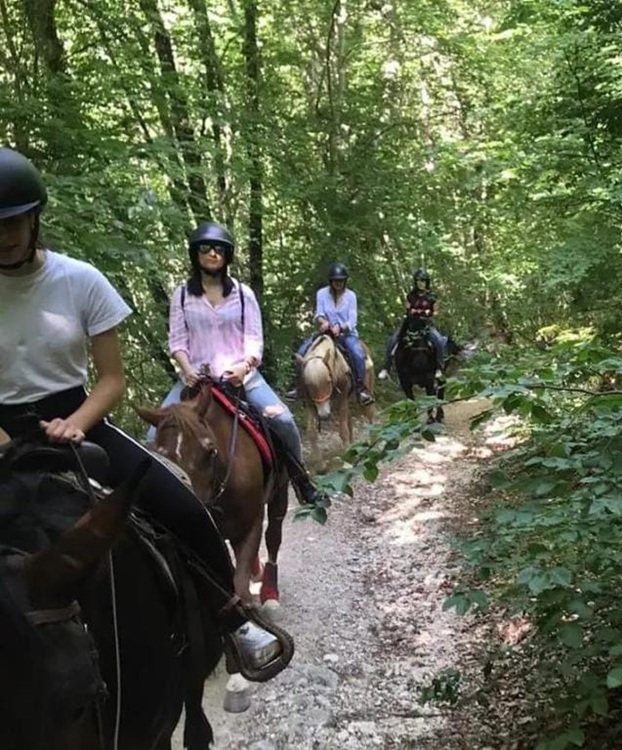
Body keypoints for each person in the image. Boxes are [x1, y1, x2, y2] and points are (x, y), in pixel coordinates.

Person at [0, 146, 290, 681]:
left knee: (182, 505)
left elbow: (112, 378)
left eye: (16, 221)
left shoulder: (79, 280)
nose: (7, 235)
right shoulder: (182, 295)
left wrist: (77, 424)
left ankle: (235, 621)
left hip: (77, 420)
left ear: (34, 217)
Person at [149, 220, 327, 508]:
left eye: (219, 249)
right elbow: (178, 342)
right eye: (205, 248)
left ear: (227, 255)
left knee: (283, 421)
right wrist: (187, 369)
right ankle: (163, 503)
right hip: (196, 381)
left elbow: (254, 339)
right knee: (152, 434)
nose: (212, 254)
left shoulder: (243, 295)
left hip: (241, 378)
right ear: (196, 254)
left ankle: (301, 480)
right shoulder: (181, 295)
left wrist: (244, 365)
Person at [308, 262, 375, 406]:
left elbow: (352, 319)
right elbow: (318, 313)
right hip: (326, 334)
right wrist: (323, 321)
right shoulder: (321, 293)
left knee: (357, 353)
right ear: (331, 281)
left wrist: (342, 327)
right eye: (335, 280)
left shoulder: (351, 296)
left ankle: (360, 389)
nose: (338, 283)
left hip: (346, 335)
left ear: (345, 281)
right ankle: (298, 387)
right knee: (303, 350)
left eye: (341, 280)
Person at [378, 268, 448, 381]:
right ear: (415, 282)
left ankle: (439, 368)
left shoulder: (432, 296)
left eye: (423, 281)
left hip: (426, 324)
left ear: (427, 282)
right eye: (419, 281)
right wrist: (412, 312)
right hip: (410, 322)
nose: (421, 283)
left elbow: (436, 312)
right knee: (393, 339)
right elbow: (407, 309)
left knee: (439, 340)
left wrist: (428, 313)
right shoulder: (411, 295)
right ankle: (386, 368)